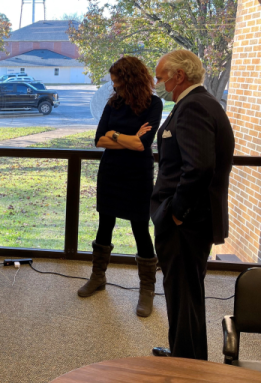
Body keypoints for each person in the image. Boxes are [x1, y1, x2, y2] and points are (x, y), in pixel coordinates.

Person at [150, 50, 235, 359]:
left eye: (160, 77)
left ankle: (186, 368)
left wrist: (176, 213)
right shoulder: (198, 103)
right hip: (193, 221)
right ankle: (187, 356)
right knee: (186, 296)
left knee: (183, 296)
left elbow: (199, 167)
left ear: (179, 77)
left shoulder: (194, 107)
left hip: (187, 223)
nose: (158, 83)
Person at [78, 56, 163, 318]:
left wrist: (116, 135)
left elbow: (143, 145)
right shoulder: (113, 103)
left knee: (140, 227)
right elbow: (99, 139)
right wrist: (124, 137)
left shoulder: (154, 104)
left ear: (130, 80)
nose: (114, 87)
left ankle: (147, 290)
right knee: (105, 224)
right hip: (111, 172)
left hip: (137, 175)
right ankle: (98, 277)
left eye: (117, 82)